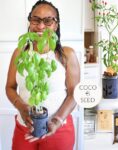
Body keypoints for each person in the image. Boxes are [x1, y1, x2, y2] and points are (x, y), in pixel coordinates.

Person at [5, 0, 80, 150]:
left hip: (59, 130)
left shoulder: (66, 54)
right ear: (30, 22)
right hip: (24, 127)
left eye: (48, 21)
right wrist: (22, 108)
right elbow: (10, 87)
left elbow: (74, 94)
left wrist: (57, 120)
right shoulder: (20, 53)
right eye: (36, 20)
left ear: (56, 25)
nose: (40, 26)